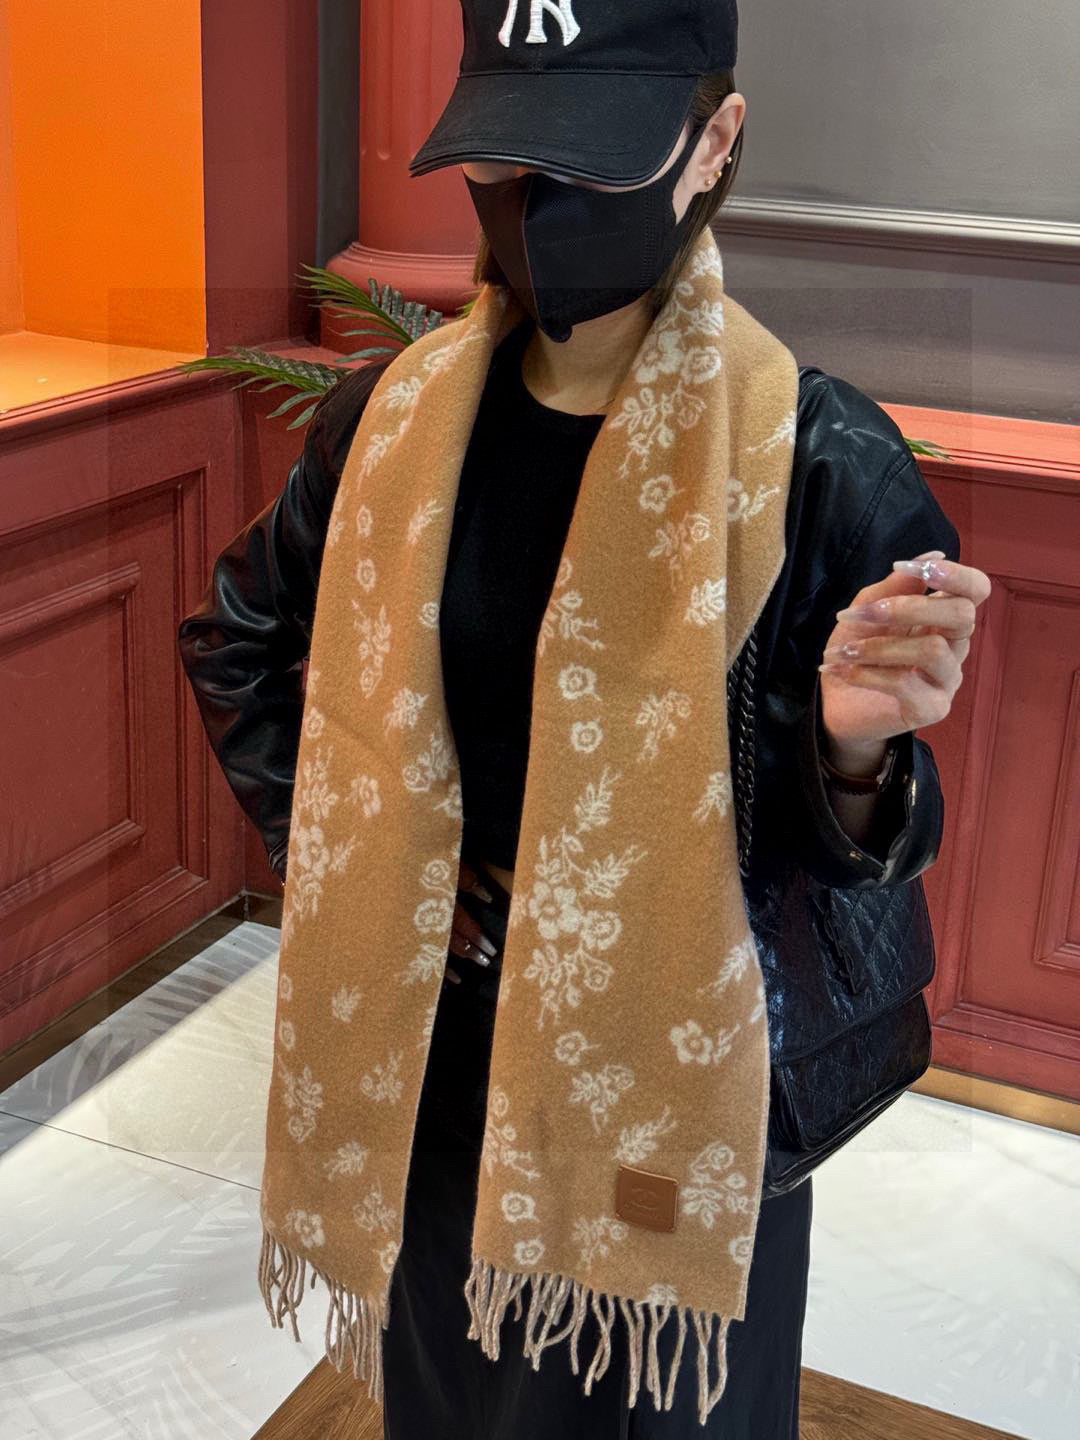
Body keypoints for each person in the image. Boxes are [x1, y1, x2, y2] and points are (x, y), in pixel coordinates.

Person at [178, 3, 989, 1435]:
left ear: (714, 143)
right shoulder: (391, 428)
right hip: (436, 1047)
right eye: (507, 161)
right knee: (454, 1396)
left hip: (679, 1066)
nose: (539, 205)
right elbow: (238, 636)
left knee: (667, 1409)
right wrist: (357, 862)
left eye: (595, 160)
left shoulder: (813, 461)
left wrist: (853, 747)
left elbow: (860, 857)